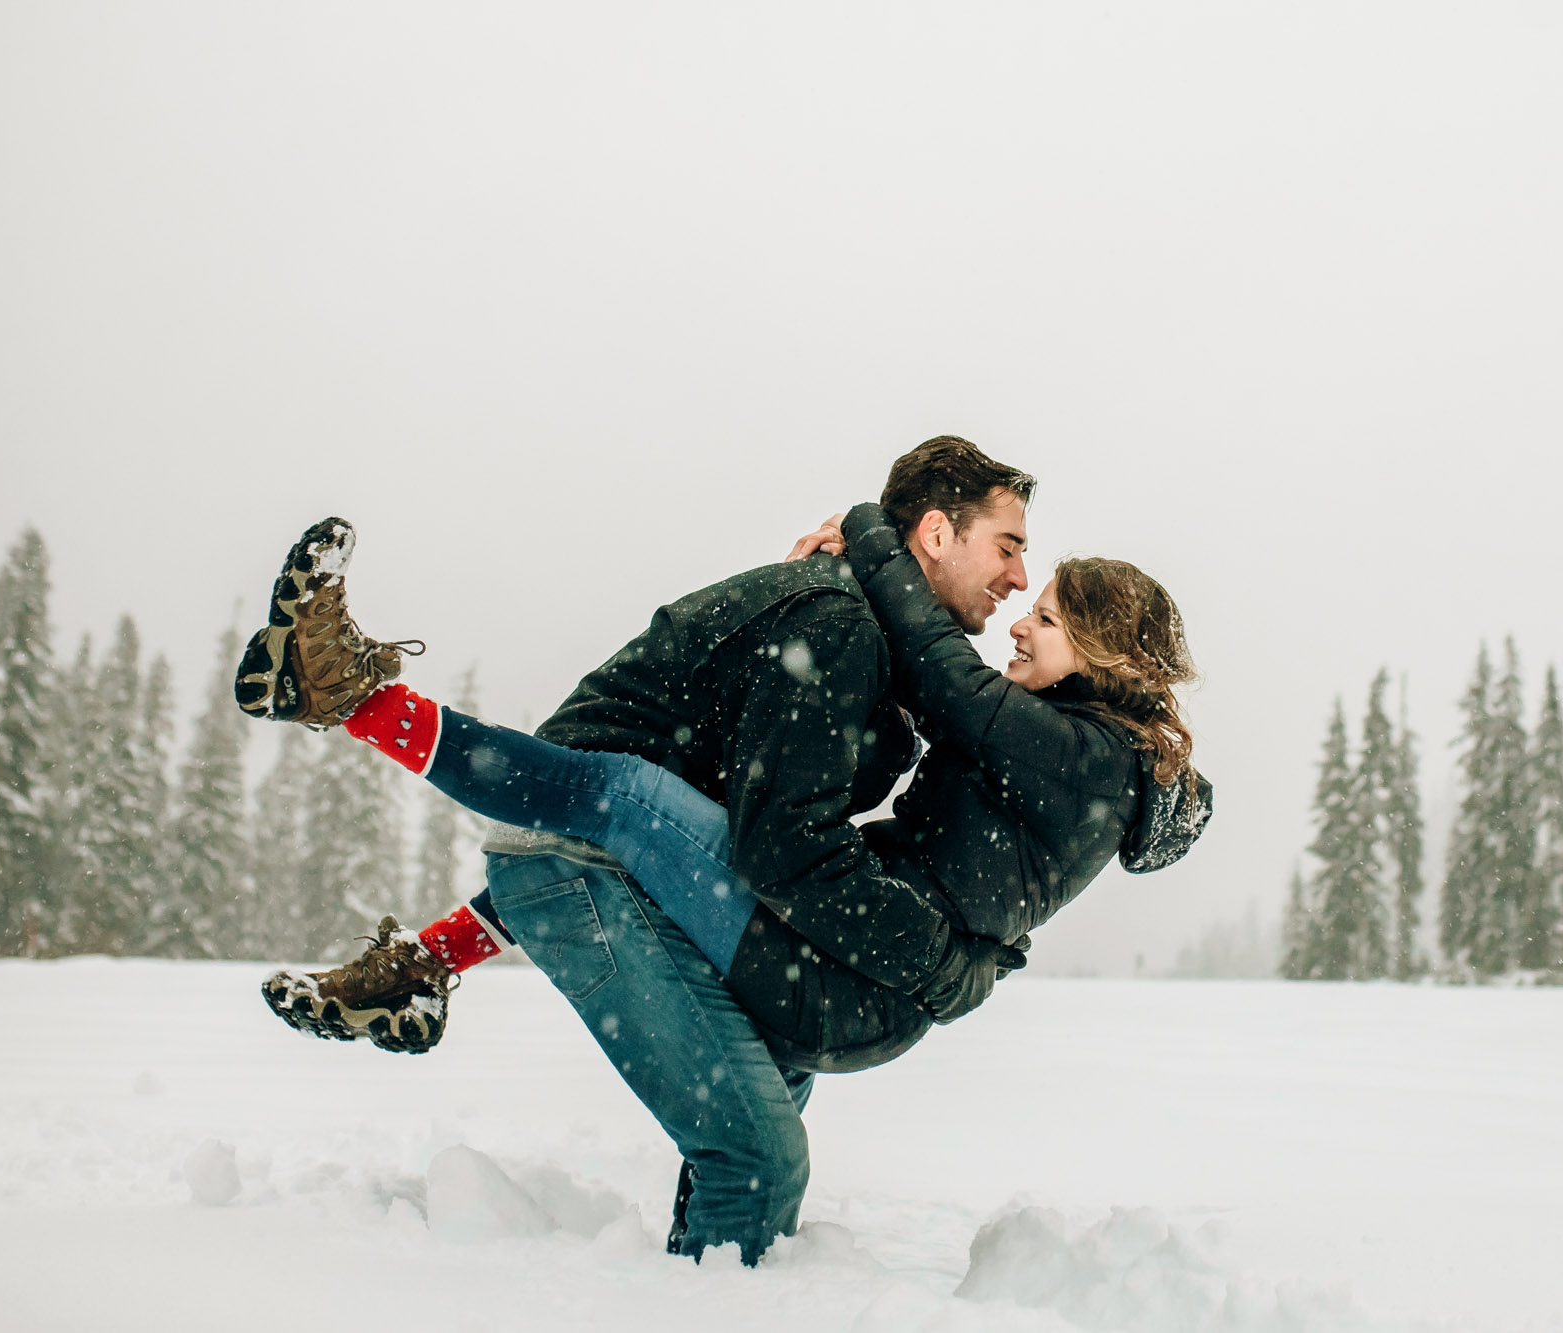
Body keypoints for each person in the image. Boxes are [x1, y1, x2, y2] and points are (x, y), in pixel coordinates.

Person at [242, 441, 1213, 1261]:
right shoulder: (861, 639)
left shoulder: (1077, 753)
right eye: (1008, 554)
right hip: (825, 947)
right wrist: (845, 575)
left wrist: (860, 549)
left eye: (1038, 605)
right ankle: (395, 867)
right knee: (619, 813)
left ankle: (362, 720)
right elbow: (922, 707)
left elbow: (945, 698)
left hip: (847, 967)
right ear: (937, 533)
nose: (1012, 594)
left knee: (623, 823)